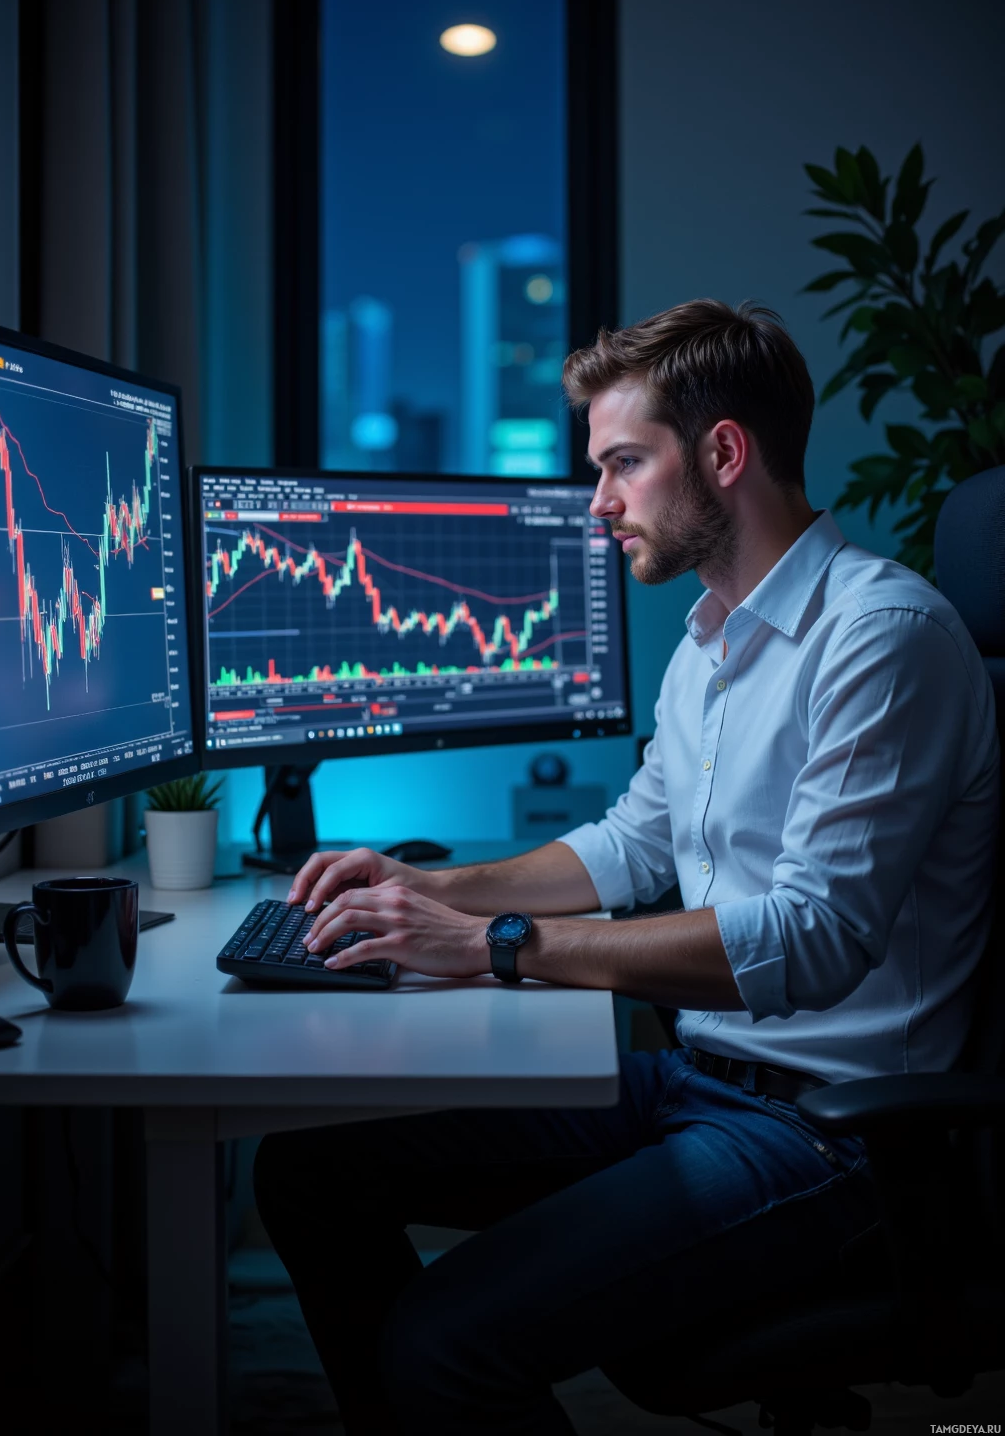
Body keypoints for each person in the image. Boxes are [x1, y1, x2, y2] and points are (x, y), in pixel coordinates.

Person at [253, 299, 999, 1436]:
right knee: (303, 1177)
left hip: (826, 1133)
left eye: (621, 465)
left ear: (723, 453)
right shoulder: (712, 636)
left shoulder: (884, 639)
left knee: (442, 1345)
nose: (596, 503)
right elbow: (633, 844)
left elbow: (810, 937)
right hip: (697, 1085)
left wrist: (502, 948)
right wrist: (434, 892)